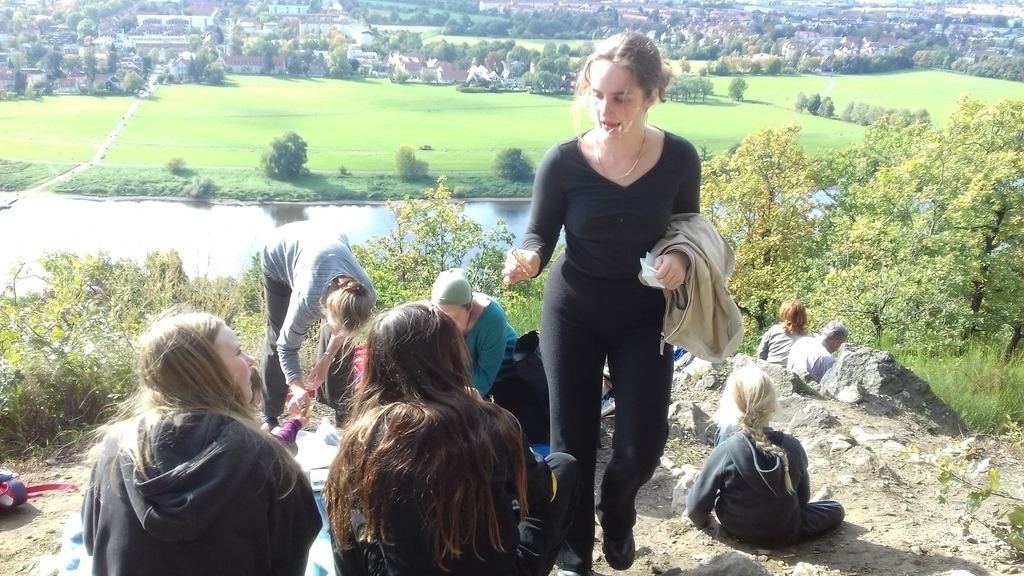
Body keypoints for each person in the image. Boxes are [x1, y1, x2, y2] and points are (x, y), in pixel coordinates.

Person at [501, 31, 702, 576]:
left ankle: (617, 510)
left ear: (651, 95)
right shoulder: (563, 161)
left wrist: (679, 262)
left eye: (621, 98)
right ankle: (574, 558)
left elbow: (686, 231)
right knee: (572, 444)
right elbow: (538, 234)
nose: (605, 109)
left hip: (644, 313)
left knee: (643, 442)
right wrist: (527, 259)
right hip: (573, 309)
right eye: (597, 94)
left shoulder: (679, 157)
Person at [323, 302, 581, 576]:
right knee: (563, 466)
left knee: (345, 502)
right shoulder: (491, 422)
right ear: (448, 356)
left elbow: (347, 534)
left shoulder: (361, 437)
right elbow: (539, 491)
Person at [81, 311, 322, 576]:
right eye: (239, 352)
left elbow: (93, 542)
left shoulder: (116, 447)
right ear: (206, 371)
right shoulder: (267, 457)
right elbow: (292, 556)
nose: (251, 359)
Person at [686, 366, 845, 546]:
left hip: (736, 527)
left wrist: (704, 521)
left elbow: (695, 509)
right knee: (836, 508)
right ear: (773, 405)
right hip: (788, 530)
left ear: (733, 406)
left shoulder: (725, 450)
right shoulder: (793, 446)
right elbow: (802, 499)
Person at [260, 220, 376, 429]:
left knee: (343, 343)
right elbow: (286, 346)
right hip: (279, 253)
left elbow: (344, 332)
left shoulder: (365, 295)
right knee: (278, 333)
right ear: (324, 309)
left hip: (328, 238)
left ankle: (341, 407)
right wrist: (297, 387)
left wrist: (326, 359)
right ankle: (269, 414)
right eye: (335, 326)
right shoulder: (308, 300)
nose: (339, 333)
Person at [431, 268, 550, 443]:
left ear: (470, 307)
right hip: (464, 378)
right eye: (442, 317)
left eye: (454, 318)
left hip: (505, 375)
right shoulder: (432, 315)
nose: (447, 325)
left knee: (525, 433)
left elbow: (483, 381)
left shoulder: (491, 317)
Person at [756, 299, 808, 367]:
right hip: (792, 374)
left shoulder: (774, 330)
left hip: (769, 369)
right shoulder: (806, 339)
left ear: (782, 314)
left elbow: (761, 353)